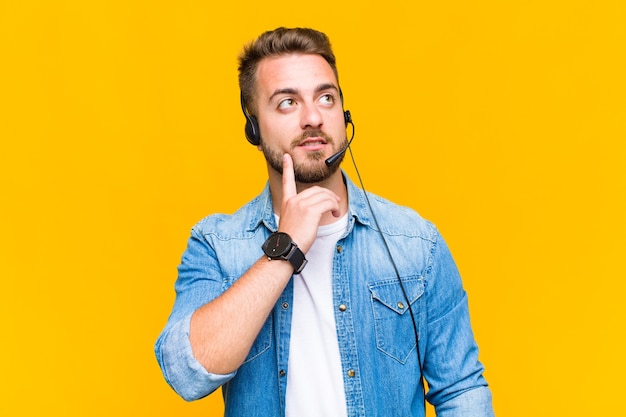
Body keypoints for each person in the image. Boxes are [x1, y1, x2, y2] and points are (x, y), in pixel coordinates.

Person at [155, 27, 494, 417]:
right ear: (253, 126)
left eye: (326, 98)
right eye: (287, 103)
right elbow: (187, 375)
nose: (313, 117)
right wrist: (284, 247)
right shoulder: (217, 245)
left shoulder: (416, 242)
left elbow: (461, 389)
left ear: (344, 114)